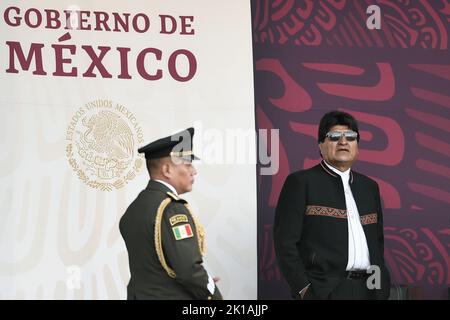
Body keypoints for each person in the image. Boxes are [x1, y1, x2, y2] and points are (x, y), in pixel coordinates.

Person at [274, 111, 391, 300]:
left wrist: (381, 289)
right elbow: (285, 245)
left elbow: (377, 244)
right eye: (335, 136)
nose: (343, 142)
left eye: (351, 137)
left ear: (357, 146)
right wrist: (304, 290)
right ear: (321, 145)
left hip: (370, 289)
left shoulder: (369, 187)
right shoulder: (301, 182)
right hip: (324, 291)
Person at [119, 127, 222, 300]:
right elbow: (189, 270)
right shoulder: (172, 209)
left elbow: (156, 271)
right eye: (188, 164)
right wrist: (212, 293)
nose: (194, 171)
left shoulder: (135, 208)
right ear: (167, 170)